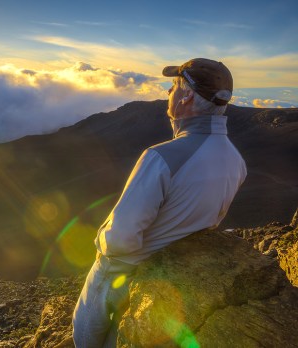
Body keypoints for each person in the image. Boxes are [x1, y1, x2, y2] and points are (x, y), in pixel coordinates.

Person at [72, 58, 247, 347]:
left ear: (187, 96)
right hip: (173, 275)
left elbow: (120, 241)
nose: (169, 91)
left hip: (122, 273)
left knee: (86, 336)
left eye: (175, 85)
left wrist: (101, 240)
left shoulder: (161, 157)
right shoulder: (235, 161)